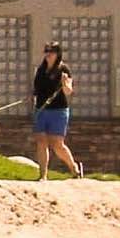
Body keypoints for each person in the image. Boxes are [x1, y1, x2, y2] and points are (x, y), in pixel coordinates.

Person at [31, 43, 80, 179]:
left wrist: (65, 84)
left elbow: (68, 92)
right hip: (41, 109)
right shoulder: (41, 69)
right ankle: (43, 175)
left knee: (57, 144)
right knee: (41, 141)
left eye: (51, 52)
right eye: (46, 51)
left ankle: (73, 167)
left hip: (58, 110)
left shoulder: (63, 69)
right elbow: (36, 89)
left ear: (58, 53)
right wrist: (32, 98)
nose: (48, 54)